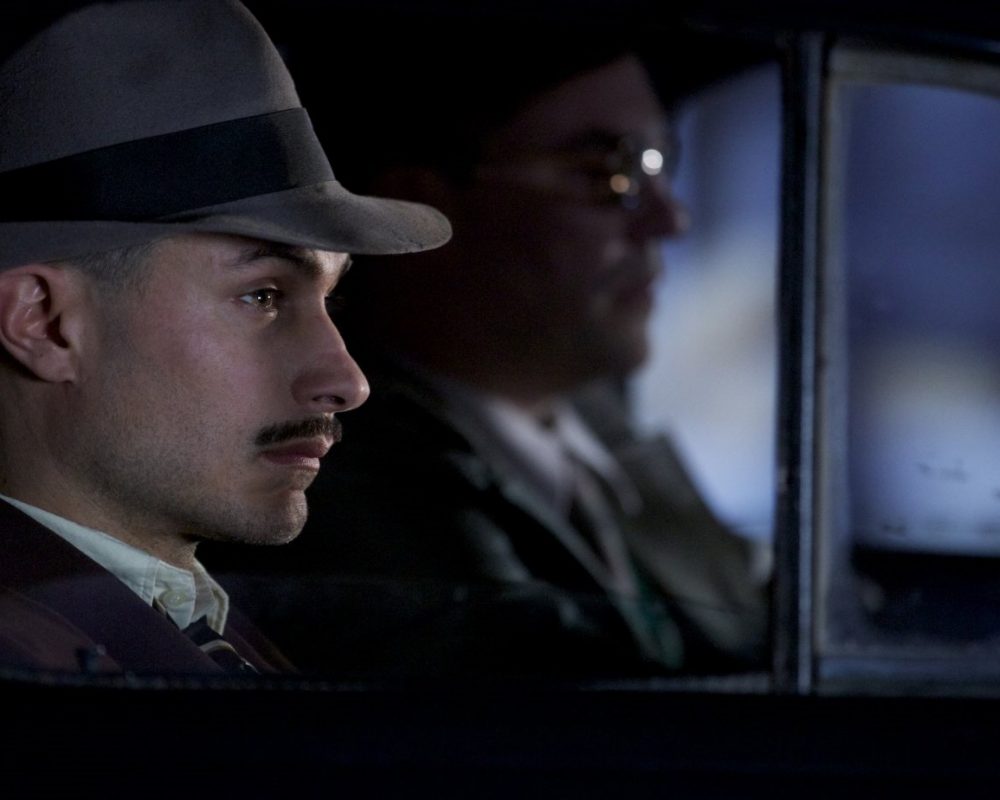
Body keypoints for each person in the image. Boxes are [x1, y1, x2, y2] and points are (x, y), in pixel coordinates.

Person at [207, 23, 771, 679]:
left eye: (661, 163)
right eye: (609, 172)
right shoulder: (341, 488)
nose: (670, 220)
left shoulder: (594, 434)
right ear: (421, 213)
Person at [0, 0, 450, 676]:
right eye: (262, 296)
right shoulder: (35, 667)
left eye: (331, 298)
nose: (347, 382)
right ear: (44, 323)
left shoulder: (187, 631)